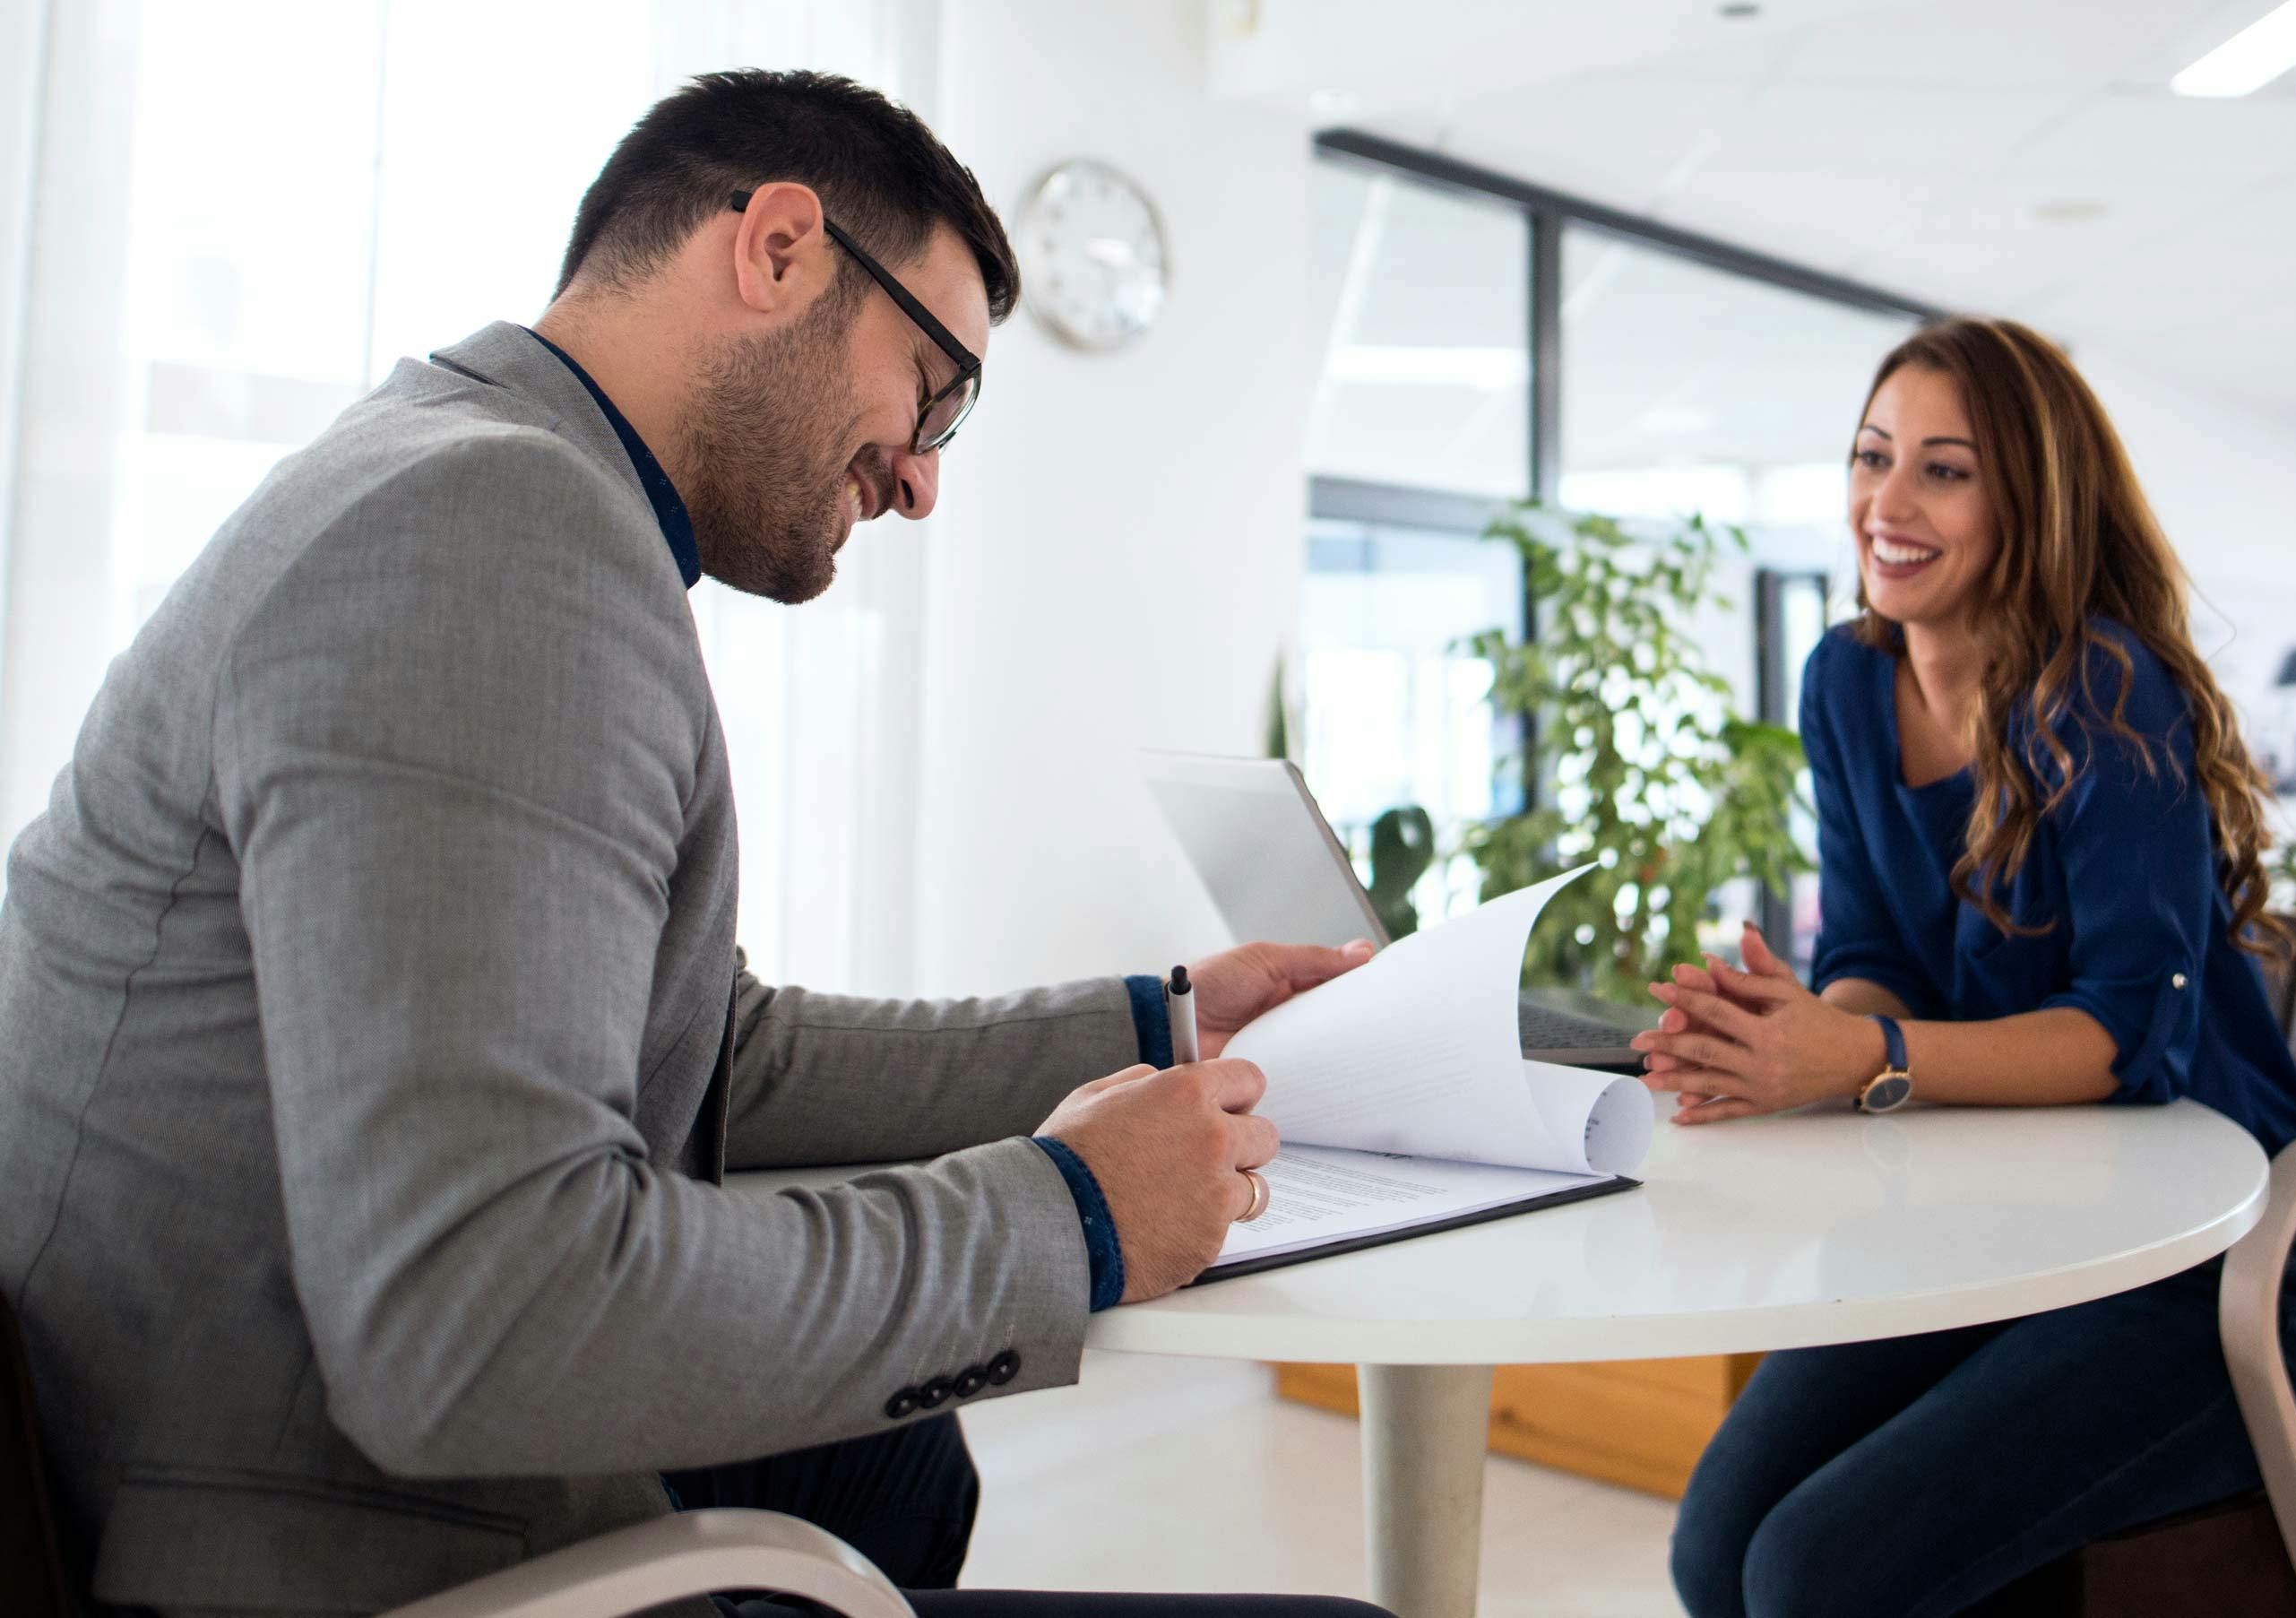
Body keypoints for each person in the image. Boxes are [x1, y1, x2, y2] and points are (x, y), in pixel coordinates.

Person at [0, 69, 1390, 1618]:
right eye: (935, 392)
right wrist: (1069, 1213)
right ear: (778, 248)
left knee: (898, 1468)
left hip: (222, 1409)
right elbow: (482, 1313)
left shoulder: (471, 469)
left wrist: (1165, 1022)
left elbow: (716, 1052)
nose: (924, 479)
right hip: (287, 1525)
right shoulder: (486, 535)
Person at [1636, 316, 2296, 1618]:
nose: (1885, 503)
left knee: (1814, 1572)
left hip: (2202, 1270)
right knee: (1713, 1541)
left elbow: (2133, 1037)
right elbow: (1871, 955)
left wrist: (1861, 1055)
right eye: (1870, 455)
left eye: (1942, 470)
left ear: (2027, 498)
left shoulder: (2107, 694)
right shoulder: (1845, 680)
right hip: (1992, 1227)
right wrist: (1795, 1034)